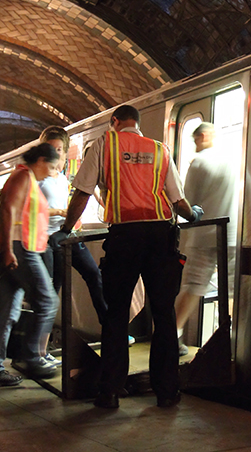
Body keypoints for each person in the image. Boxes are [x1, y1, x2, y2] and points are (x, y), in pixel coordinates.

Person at [59, 105, 202, 409]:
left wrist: (66, 227)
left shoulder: (105, 145)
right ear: (137, 125)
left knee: (116, 315)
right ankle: (166, 392)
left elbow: (82, 192)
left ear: (114, 122)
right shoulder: (159, 149)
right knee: (163, 314)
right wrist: (193, 214)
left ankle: (110, 392)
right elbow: (177, 199)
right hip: (161, 237)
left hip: (124, 238)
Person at [0, 142, 60, 388]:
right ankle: (32, 356)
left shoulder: (26, 178)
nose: (50, 172)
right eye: (50, 166)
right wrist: (7, 250)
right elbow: (8, 210)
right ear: (39, 161)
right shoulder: (23, 177)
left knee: (6, 313)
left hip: (20, 248)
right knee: (48, 301)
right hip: (21, 249)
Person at [174, 122, 237, 351]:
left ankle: (173, 335)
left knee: (194, 285)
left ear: (202, 137)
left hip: (202, 236)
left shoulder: (199, 162)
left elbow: (187, 201)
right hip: (231, 234)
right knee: (231, 290)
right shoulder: (231, 159)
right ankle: (229, 338)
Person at [38, 126, 106, 328]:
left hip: (69, 236)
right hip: (49, 240)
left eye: (59, 150)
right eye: (50, 149)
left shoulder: (62, 179)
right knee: (53, 291)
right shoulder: (37, 178)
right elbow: (30, 210)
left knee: (94, 275)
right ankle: (40, 347)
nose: (55, 154)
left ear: (65, 153)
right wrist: (59, 213)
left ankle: (110, 328)